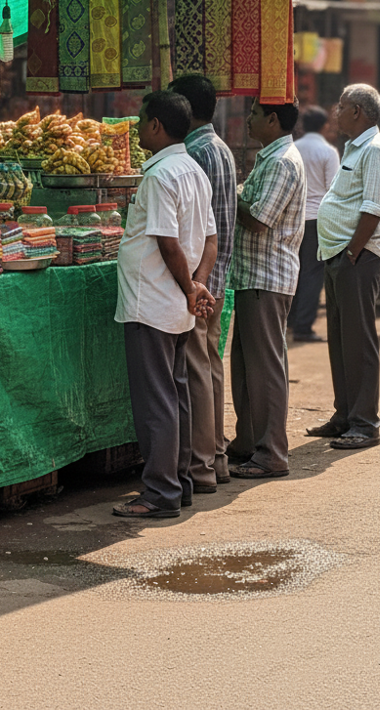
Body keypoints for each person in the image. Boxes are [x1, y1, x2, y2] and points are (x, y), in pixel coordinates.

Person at [112, 91, 217, 519]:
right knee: (176, 395)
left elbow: (167, 242)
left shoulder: (160, 176)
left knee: (157, 400)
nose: (137, 127)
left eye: (141, 120)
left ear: (156, 125)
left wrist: (191, 287)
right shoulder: (192, 169)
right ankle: (180, 483)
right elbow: (209, 238)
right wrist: (197, 284)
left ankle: (160, 493)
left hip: (153, 302)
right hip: (173, 302)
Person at [310, 84, 380, 449]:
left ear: (358, 112)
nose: (336, 111)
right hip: (339, 254)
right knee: (341, 338)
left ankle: (365, 423)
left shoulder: (375, 151)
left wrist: (352, 252)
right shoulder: (354, 148)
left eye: (342, 106)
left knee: (358, 340)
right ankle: (344, 415)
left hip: (355, 258)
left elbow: (373, 208)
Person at [227, 98, 306, 479]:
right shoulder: (271, 158)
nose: (248, 121)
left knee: (265, 368)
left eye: (255, 115)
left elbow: (259, 220)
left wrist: (229, 197)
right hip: (253, 276)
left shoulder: (281, 162)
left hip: (266, 277)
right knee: (246, 366)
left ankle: (271, 451)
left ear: (272, 120)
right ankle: (249, 441)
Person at [168, 74, 237, 492]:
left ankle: (201, 466)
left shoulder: (197, 154)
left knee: (198, 368)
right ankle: (217, 457)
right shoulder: (219, 148)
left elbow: (198, 229)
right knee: (208, 365)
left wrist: (196, 283)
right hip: (215, 275)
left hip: (201, 279)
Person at [287, 106, 340, 342]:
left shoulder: (293, 148)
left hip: (293, 218)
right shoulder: (328, 152)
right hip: (317, 218)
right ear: (324, 126)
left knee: (294, 269)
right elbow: (333, 191)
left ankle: (289, 320)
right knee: (312, 273)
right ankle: (303, 327)